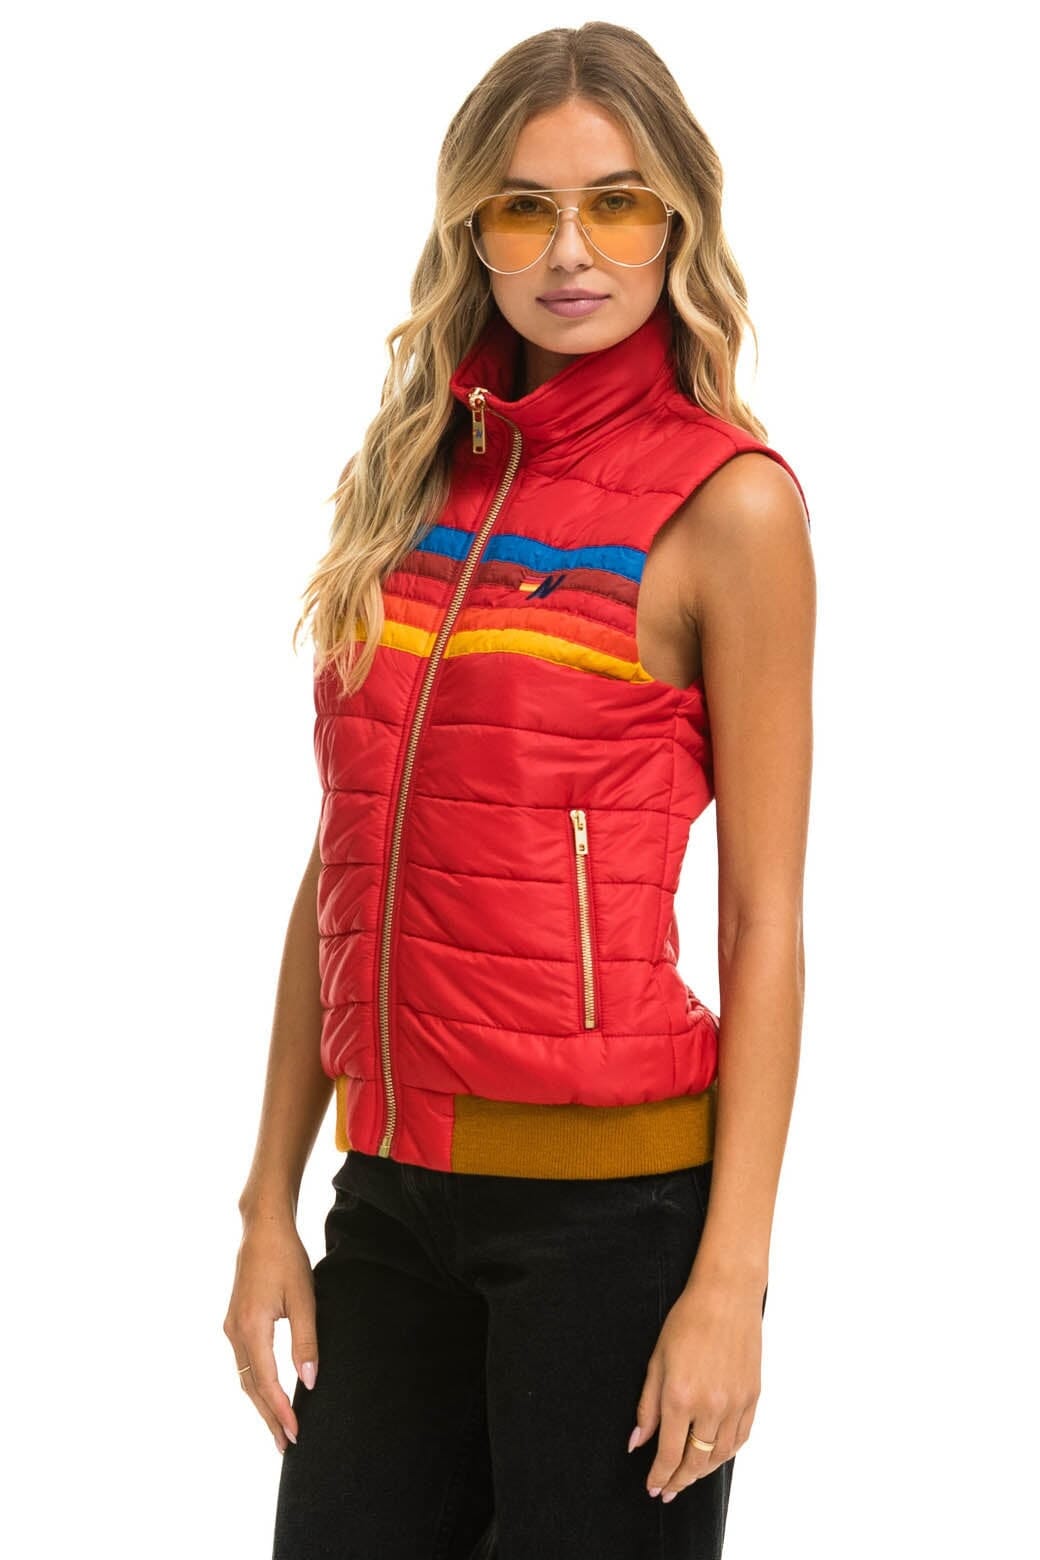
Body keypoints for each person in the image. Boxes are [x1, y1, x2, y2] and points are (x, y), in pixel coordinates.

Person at [224, 21, 814, 1560]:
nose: (569, 252)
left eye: (615, 205)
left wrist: (730, 1283)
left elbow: (762, 920)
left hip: (612, 1227)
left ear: (676, 222)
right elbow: (345, 863)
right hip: (388, 1208)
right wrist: (269, 1200)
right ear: (468, 230)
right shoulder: (420, 482)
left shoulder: (728, 506)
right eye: (522, 208)